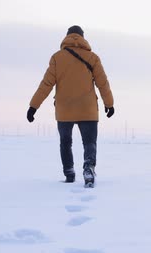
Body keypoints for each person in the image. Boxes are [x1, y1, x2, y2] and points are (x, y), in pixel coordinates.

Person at [27, 25, 114, 187]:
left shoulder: (57, 58)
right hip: (87, 109)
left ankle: (69, 172)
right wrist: (109, 104)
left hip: (64, 108)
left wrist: (33, 107)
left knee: (65, 142)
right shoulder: (92, 57)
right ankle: (88, 167)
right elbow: (103, 83)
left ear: (67, 37)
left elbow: (46, 84)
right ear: (82, 37)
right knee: (89, 142)